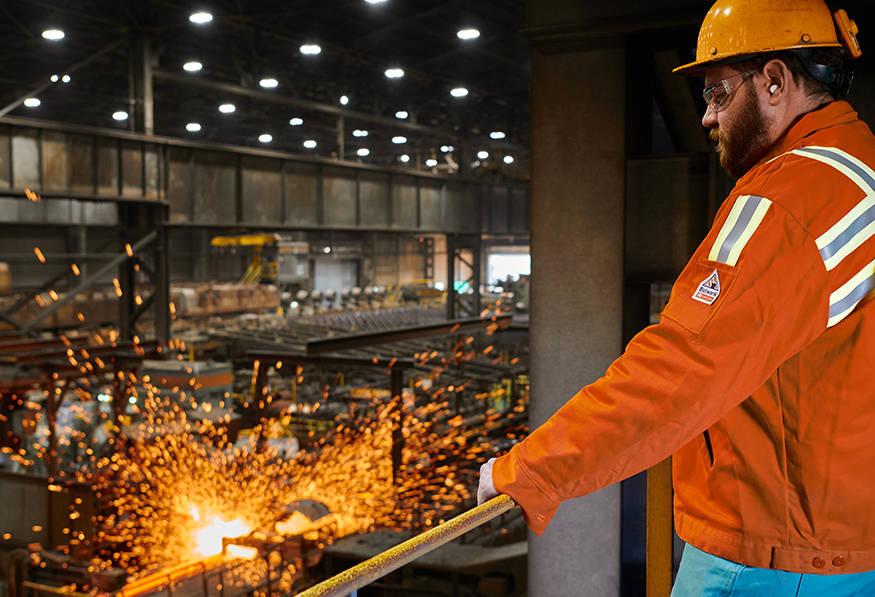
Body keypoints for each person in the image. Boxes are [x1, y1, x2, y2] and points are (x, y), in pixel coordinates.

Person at [477, 0, 875, 594]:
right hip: (837, 538)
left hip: (769, 556)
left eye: (717, 93)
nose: (709, 118)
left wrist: (534, 468)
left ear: (773, 81)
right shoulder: (859, 168)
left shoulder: (788, 203)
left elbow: (681, 367)